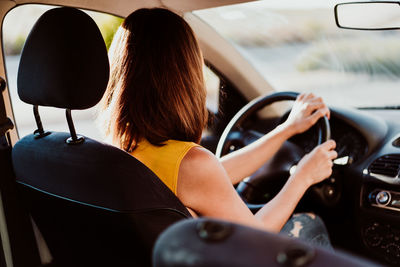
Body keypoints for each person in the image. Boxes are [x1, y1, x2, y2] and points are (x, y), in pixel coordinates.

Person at [98, 8, 337, 247]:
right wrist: (304, 176)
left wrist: (286, 129)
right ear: (185, 77)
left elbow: (214, 175)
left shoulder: (116, 148)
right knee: (309, 223)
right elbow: (255, 238)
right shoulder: (192, 164)